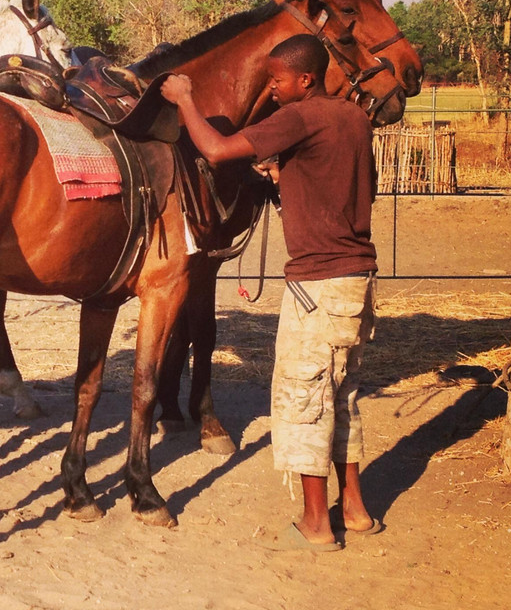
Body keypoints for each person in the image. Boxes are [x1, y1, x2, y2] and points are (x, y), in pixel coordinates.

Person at [161, 33, 381, 551]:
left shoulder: (298, 116)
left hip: (318, 284)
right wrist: (288, 175)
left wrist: (185, 100)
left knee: (304, 399)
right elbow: (354, 184)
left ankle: (316, 522)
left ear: (306, 78)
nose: (272, 88)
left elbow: (217, 150)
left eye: (278, 79)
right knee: (343, 395)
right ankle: (355, 509)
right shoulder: (353, 118)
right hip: (358, 278)